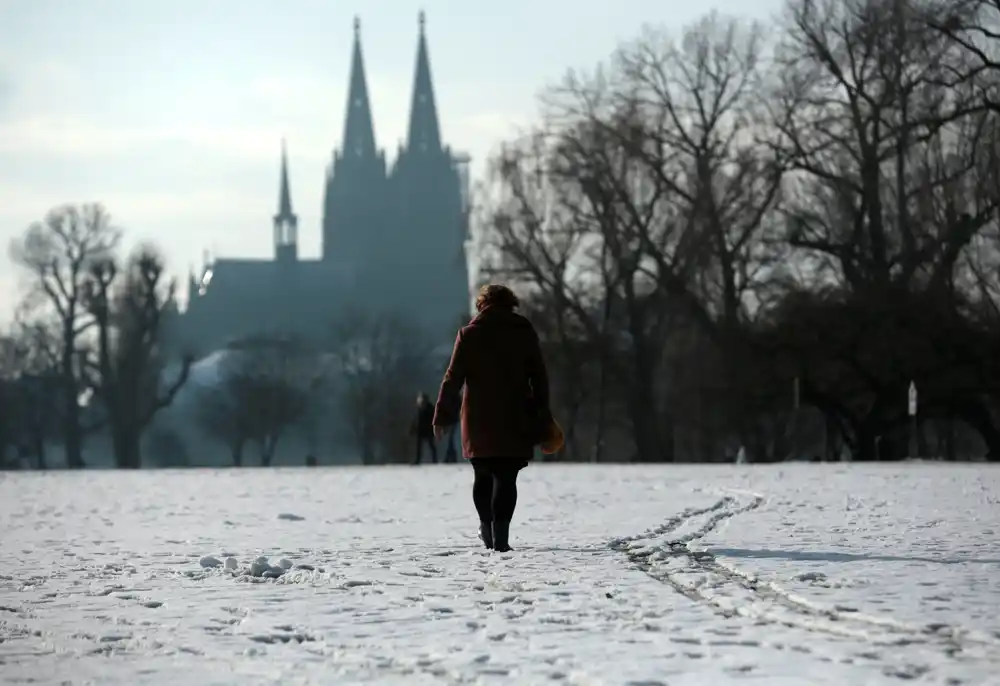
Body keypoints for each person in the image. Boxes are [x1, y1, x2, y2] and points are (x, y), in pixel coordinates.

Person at [432, 284, 552, 552]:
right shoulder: (523, 332)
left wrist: (441, 415)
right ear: (511, 304)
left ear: (482, 305)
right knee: (506, 477)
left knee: (482, 475)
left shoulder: (469, 334)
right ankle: (501, 538)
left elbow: (453, 379)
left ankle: (486, 527)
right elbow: (539, 378)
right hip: (515, 415)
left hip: (477, 418)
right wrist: (543, 415)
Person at [411, 392, 437, 465]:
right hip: (421, 430)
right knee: (419, 447)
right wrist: (413, 428)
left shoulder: (430, 408)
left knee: (431, 446)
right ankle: (417, 460)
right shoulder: (420, 409)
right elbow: (416, 420)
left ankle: (434, 460)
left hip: (428, 430)